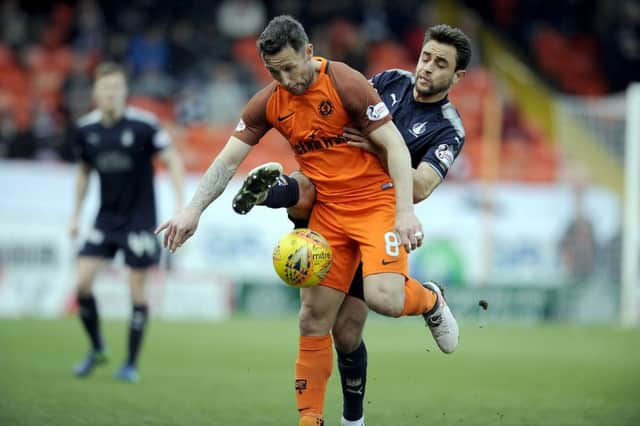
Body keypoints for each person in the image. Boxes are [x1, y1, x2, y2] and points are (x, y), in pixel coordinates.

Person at [155, 15, 457, 425]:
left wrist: (404, 211)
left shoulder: (346, 82)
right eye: (275, 71)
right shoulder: (269, 101)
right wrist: (192, 210)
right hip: (326, 214)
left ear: (310, 53)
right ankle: (310, 419)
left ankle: (430, 299)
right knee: (314, 319)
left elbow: (397, 150)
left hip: (374, 205)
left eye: (292, 67)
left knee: (384, 299)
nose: (287, 79)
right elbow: (227, 160)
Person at [233, 24, 471, 426]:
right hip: (335, 205)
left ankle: (429, 299)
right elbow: (339, 120)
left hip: (380, 214)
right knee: (326, 325)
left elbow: (423, 186)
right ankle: (342, 421)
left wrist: (377, 147)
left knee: (366, 315)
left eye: (440, 63)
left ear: (458, 76)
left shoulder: (449, 127)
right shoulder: (387, 82)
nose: (427, 68)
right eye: (426, 57)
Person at [70, 62, 184, 383]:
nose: (111, 94)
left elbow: (172, 158)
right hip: (105, 219)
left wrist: (179, 205)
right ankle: (97, 348)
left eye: (117, 89)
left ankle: (130, 363)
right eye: (105, 89)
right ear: (95, 93)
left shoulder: (144, 126)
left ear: (124, 92)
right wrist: (76, 216)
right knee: (82, 284)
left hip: (139, 220)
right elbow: (83, 172)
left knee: (137, 291)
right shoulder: (85, 130)